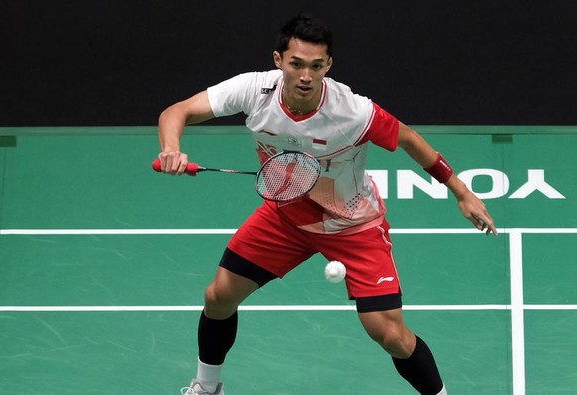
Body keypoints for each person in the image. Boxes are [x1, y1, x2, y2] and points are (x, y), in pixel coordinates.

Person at [156, 14, 497, 395]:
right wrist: (172, 147)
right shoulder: (253, 90)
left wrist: (461, 191)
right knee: (218, 297)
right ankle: (206, 386)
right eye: (296, 63)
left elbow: (410, 139)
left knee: (390, 335)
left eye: (316, 66)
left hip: (352, 223)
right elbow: (177, 111)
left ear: (328, 66)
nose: (305, 75)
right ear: (278, 60)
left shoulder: (352, 111)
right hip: (285, 216)